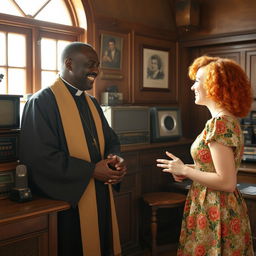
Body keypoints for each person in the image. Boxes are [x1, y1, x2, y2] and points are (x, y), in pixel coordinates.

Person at [19, 42, 127, 256]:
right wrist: (90, 171)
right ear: (69, 63)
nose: (96, 71)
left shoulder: (92, 102)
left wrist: (116, 160)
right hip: (68, 201)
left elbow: (111, 139)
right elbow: (39, 157)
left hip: (99, 193)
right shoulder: (41, 102)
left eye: (97, 65)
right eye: (90, 64)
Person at [156, 56, 254, 255]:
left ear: (215, 85)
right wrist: (188, 170)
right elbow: (214, 170)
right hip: (216, 204)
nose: (193, 87)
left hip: (216, 208)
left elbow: (226, 181)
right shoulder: (227, 120)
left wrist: (184, 169)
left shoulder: (220, 123)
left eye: (198, 81)